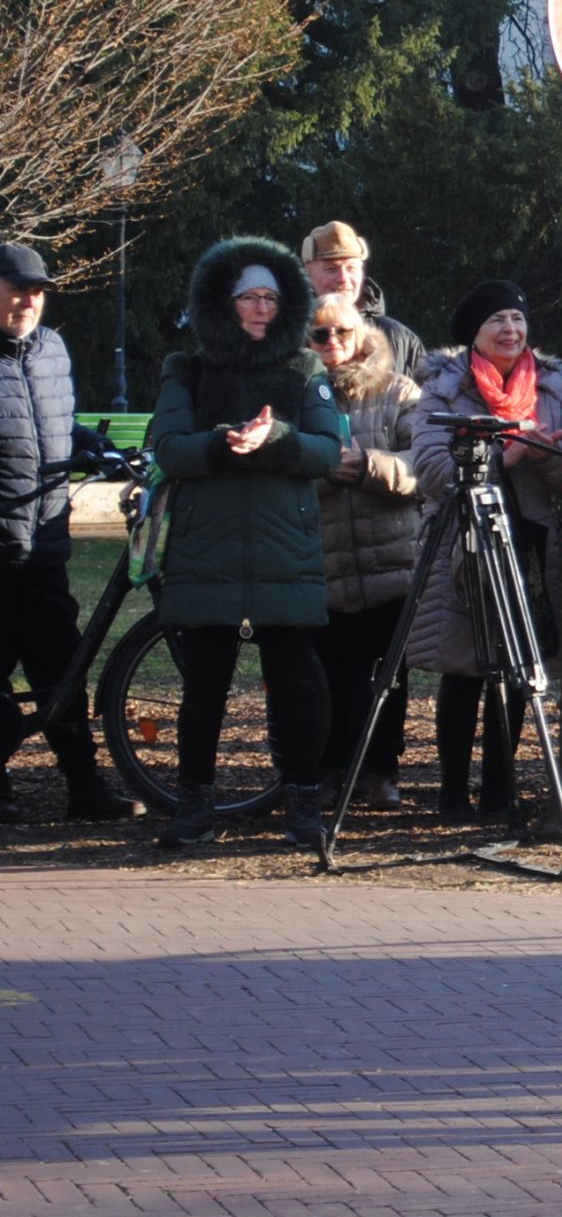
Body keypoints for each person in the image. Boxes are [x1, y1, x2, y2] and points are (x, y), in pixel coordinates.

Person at [148, 237, 346, 848]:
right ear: (222, 302)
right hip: (206, 551)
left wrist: (276, 438)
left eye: (271, 297)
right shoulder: (188, 367)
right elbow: (168, 447)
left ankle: (304, 803)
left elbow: (327, 449)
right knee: (204, 685)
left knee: (296, 681)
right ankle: (194, 804)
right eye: (248, 297)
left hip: (283, 549)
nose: (261, 308)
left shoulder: (303, 368)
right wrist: (222, 442)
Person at [408, 281, 562, 821]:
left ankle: (500, 793)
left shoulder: (551, 388)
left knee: (515, 669)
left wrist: (545, 456)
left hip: (526, 541)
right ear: (474, 336)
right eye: (497, 321)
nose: (510, 329)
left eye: (517, 318)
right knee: (463, 671)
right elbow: (432, 471)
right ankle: (453, 792)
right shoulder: (444, 390)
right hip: (463, 542)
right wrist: (506, 454)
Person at [0, 244, 143, 823]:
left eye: (37, 290)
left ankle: (84, 786)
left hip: (45, 544)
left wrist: (94, 446)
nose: (28, 300)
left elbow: (58, 425)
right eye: (17, 288)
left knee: (63, 669)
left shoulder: (50, 351)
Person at [309, 294, 424, 811]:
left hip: (390, 561)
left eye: (342, 333)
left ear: (361, 335)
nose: (333, 343)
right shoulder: (298, 395)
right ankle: (330, 770)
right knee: (327, 673)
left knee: (387, 676)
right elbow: (279, 465)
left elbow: (425, 464)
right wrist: (322, 473)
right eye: (320, 335)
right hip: (323, 560)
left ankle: (382, 772)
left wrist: (371, 466)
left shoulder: (399, 392)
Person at [301, 222, 427, 381]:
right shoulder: (287, 338)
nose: (343, 279)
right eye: (331, 269)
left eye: (351, 268)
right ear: (308, 272)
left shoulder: (400, 339)